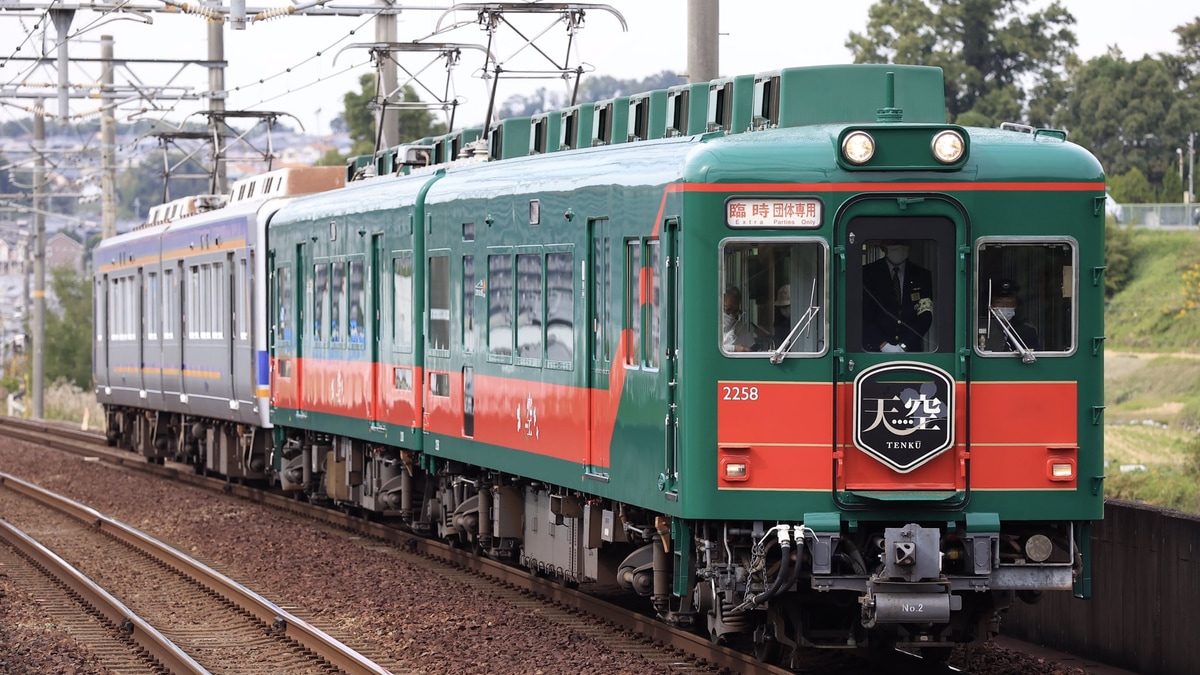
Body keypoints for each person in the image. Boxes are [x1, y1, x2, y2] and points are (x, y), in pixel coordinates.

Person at [862, 240, 933, 352]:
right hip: (874, 350)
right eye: (892, 243)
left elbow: (925, 315)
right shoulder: (867, 273)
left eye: (903, 243)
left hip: (911, 350)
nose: (898, 247)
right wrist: (883, 345)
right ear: (882, 246)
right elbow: (863, 315)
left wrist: (904, 345)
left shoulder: (921, 275)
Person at [985, 279, 1040, 352]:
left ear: (1016, 305)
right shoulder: (983, 329)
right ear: (991, 305)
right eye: (999, 302)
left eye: (1010, 302)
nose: (1005, 306)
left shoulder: (1028, 331)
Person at [722, 287, 756, 352]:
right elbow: (707, 348)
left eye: (735, 311)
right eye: (729, 309)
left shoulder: (740, 327)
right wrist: (734, 348)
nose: (732, 315)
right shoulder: (706, 325)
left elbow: (752, 349)